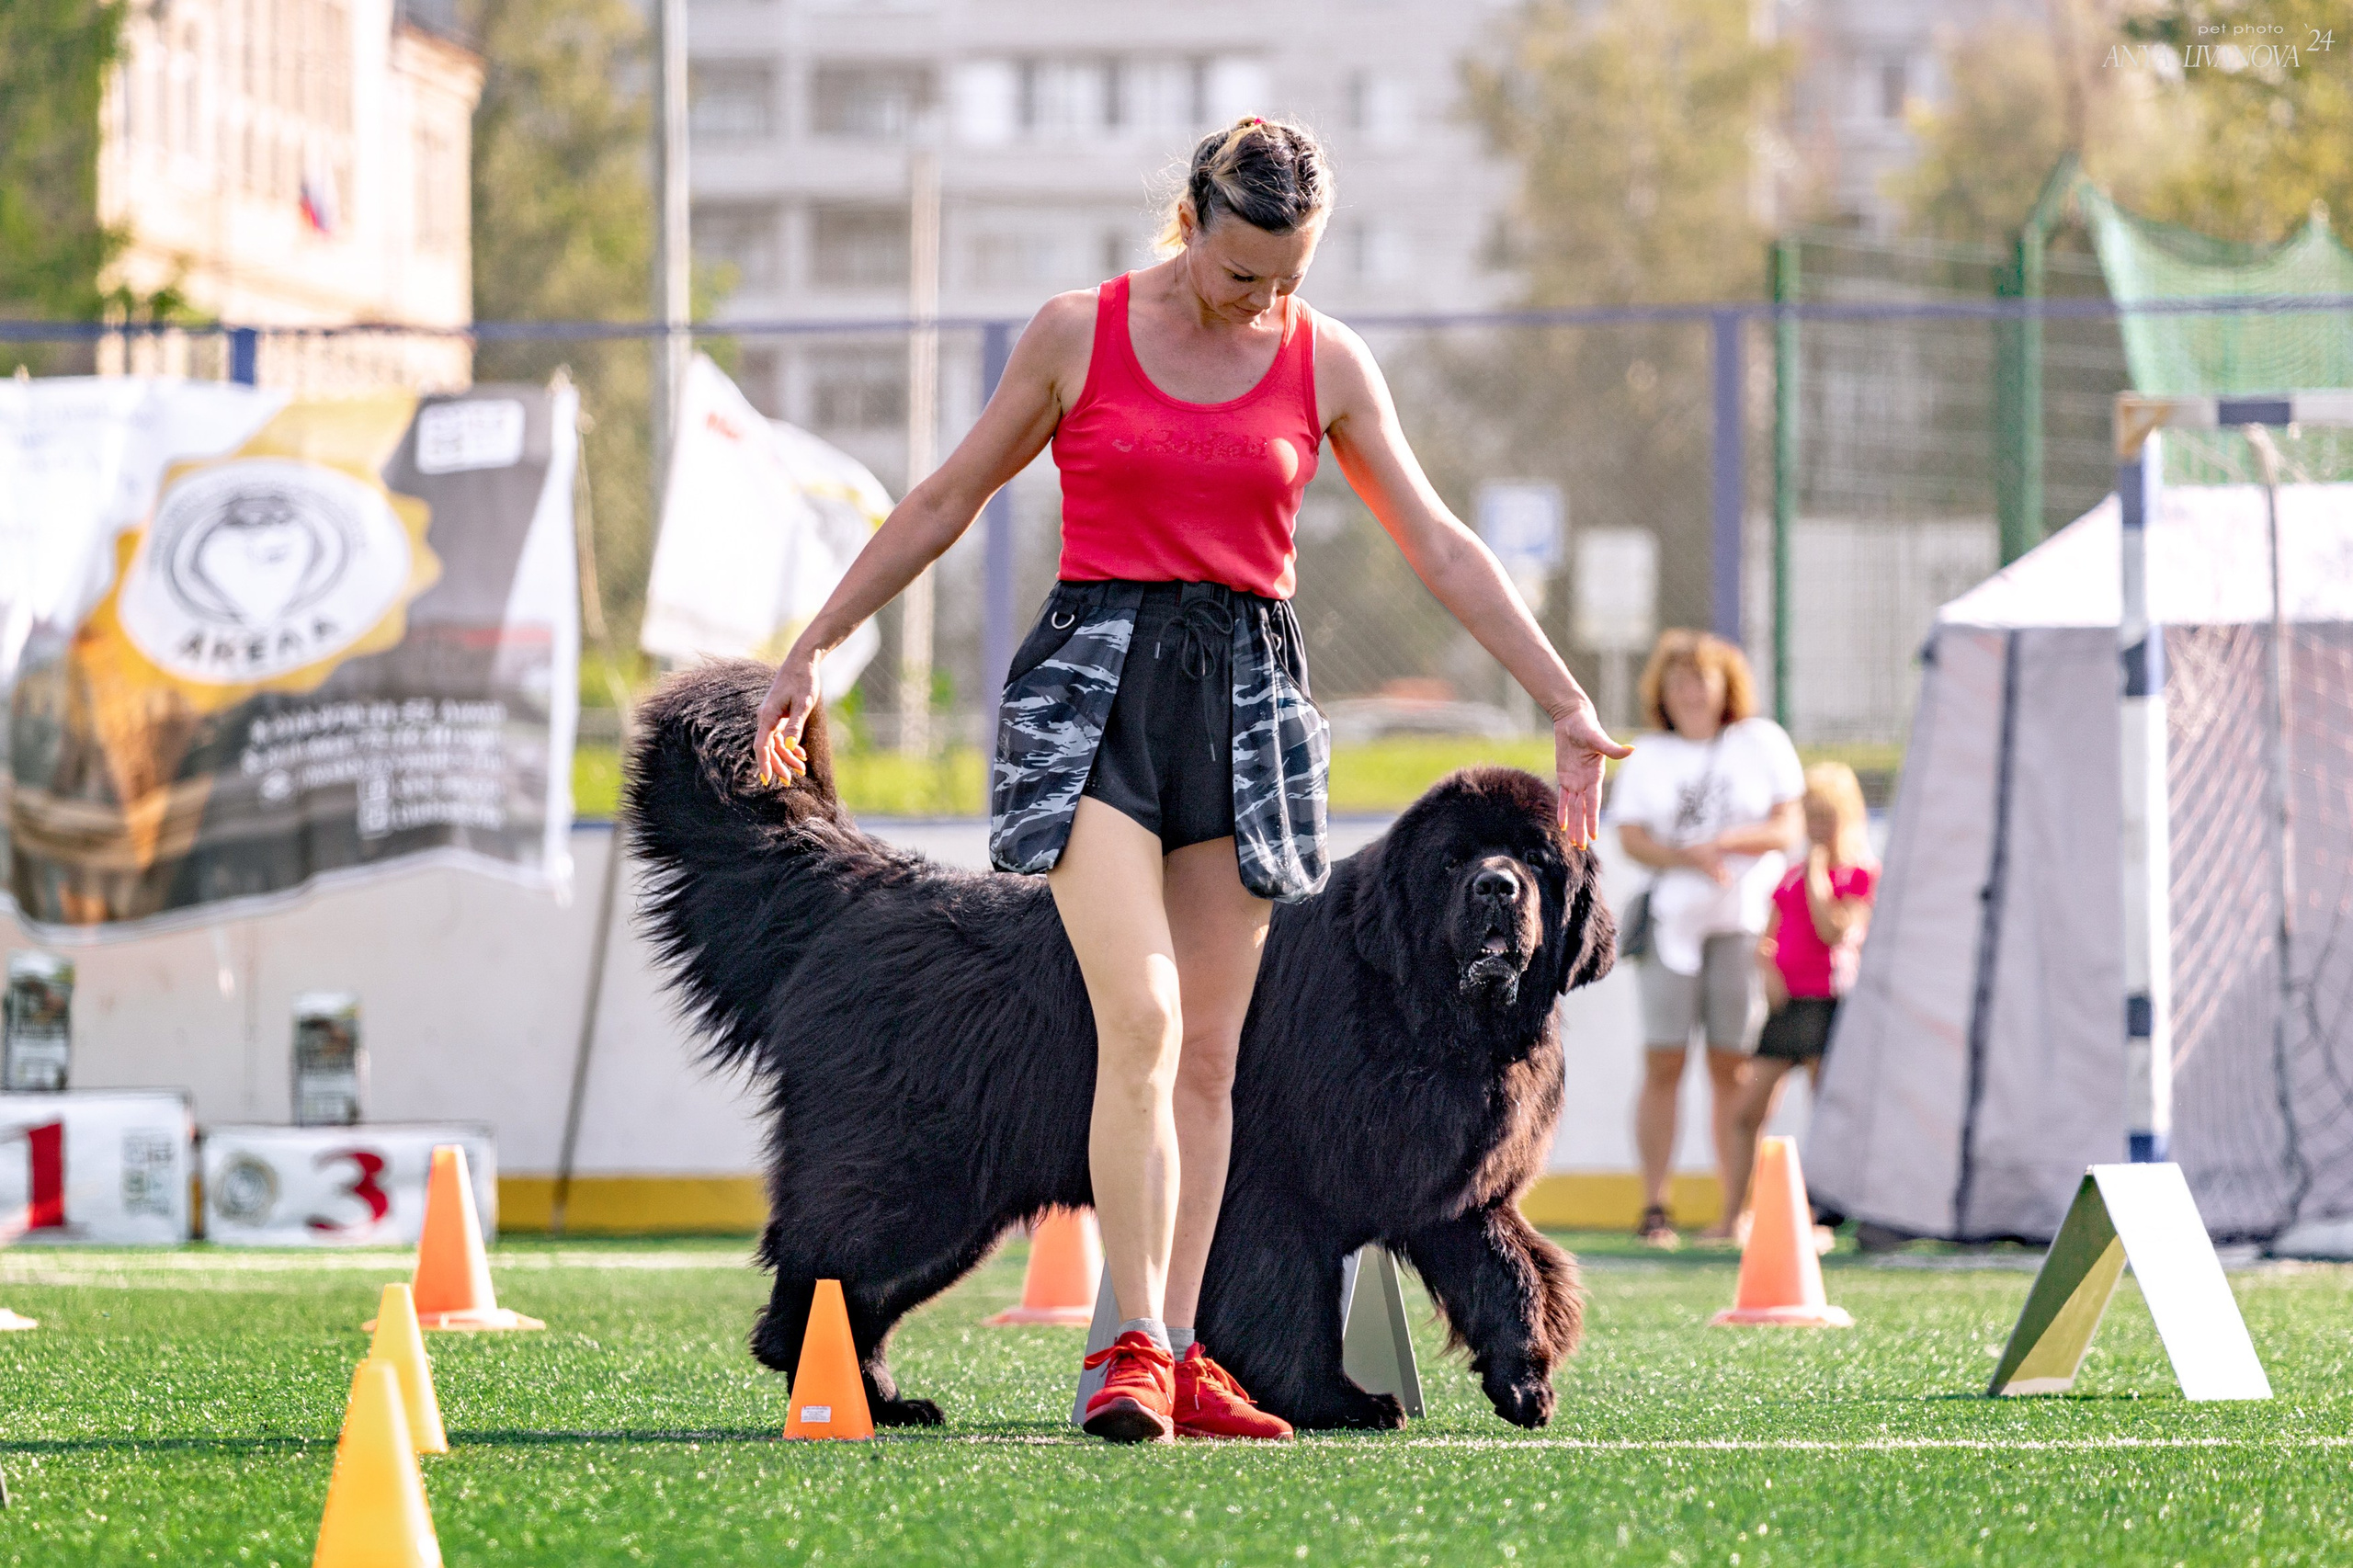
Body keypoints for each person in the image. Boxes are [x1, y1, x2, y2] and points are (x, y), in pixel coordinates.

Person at [750, 116, 1628, 1443]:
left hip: (1249, 707)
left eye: (1286, 278)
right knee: (1145, 1021)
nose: (1260, 302)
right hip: (1098, 696)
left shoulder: (1327, 359)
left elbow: (1440, 548)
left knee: (1212, 1056)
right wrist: (812, 650)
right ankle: (1125, 1352)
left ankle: (1175, 1345)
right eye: (1238, 275)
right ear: (1190, 220)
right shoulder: (1074, 333)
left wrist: (1564, 700)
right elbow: (941, 501)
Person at [1605, 630, 1802, 1248]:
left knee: (1734, 1064)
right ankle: (1655, 1206)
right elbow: (1631, 837)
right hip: (1674, 922)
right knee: (1665, 1058)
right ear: (1662, 689)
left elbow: (1787, 825)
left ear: (1726, 687)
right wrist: (1684, 859)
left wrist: (1723, 845)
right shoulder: (1650, 754)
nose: (1691, 690)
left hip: (1745, 922)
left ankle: (1734, 1208)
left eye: (1703, 678)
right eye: (1679, 679)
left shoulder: (1760, 742)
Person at [1719, 761, 1877, 1237]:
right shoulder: (1786, 878)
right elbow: (1768, 940)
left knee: (1827, 1114)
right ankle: (1734, 1214)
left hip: (1829, 1006)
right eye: (1811, 816)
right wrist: (1767, 969)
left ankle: (1824, 1212)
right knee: (1747, 1113)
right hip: (1787, 1009)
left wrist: (1817, 872)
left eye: (1826, 816)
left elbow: (1836, 930)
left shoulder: (1858, 875)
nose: (1816, 827)